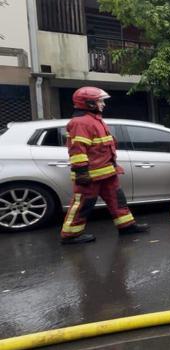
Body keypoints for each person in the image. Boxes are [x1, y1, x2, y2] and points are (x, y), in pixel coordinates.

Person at [60, 87, 148, 244]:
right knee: (82, 205)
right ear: (89, 103)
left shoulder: (95, 120)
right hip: (90, 175)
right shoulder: (80, 123)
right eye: (100, 101)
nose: (103, 104)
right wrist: (81, 172)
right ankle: (70, 235)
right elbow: (78, 150)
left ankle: (126, 226)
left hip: (107, 172)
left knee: (118, 200)